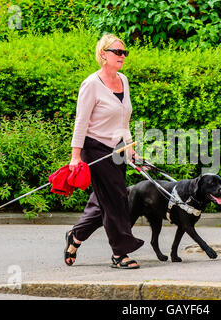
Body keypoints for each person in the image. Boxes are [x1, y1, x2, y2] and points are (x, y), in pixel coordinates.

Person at [64, 33, 144, 269]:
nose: (122, 56)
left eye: (124, 52)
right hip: (96, 149)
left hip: (118, 148)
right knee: (117, 198)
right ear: (103, 54)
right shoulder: (91, 84)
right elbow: (81, 121)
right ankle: (120, 253)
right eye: (117, 52)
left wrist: (129, 148)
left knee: (103, 201)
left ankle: (75, 237)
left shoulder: (124, 80)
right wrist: (75, 155)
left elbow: (124, 119)